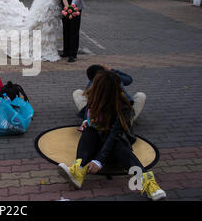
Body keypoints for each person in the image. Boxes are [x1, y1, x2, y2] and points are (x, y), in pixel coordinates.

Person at [58, 70, 166, 201]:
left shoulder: (123, 107)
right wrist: (88, 122)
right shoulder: (94, 99)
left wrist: (99, 160)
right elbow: (92, 118)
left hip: (113, 148)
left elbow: (113, 137)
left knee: (118, 143)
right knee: (90, 131)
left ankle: (148, 184)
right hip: (97, 143)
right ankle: (78, 171)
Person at [73, 64, 146, 124]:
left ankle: (92, 120)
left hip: (100, 121)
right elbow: (129, 79)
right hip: (122, 119)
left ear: (91, 78)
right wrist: (111, 70)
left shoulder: (93, 83)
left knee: (78, 93)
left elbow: (90, 104)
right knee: (141, 95)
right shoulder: (116, 78)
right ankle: (128, 120)